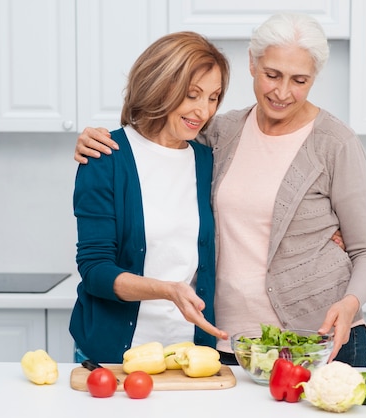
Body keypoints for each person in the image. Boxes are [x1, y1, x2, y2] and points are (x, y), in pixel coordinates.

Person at [74, 13, 366, 366]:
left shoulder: (335, 143)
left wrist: (350, 302)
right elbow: (155, 141)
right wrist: (91, 138)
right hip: (228, 344)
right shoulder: (219, 134)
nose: (283, 92)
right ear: (252, 64)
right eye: (272, 75)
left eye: (299, 80)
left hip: (316, 339)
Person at [70, 31, 230, 364]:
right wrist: (168, 290)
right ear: (159, 85)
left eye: (213, 97)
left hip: (191, 356)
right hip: (115, 357)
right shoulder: (105, 157)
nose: (203, 111)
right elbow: (96, 270)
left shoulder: (208, 160)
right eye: (192, 95)